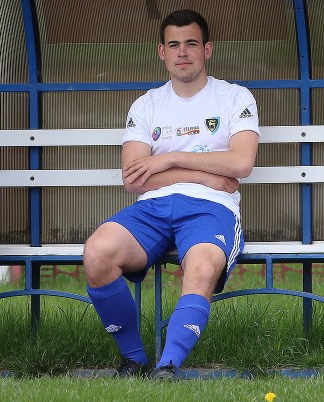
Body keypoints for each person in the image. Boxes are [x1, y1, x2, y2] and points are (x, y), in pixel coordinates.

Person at [83, 9, 259, 380]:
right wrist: (205, 173)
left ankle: (168, 366)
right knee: (97, 252)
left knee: (202, 267)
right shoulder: (146, 104)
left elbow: (241, 163)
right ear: (162, 52)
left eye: (191, 43)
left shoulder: (234, 97)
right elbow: (134, 178)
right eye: (174, 45)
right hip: (152, 207)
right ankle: (134, 359)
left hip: (211, 208)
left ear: (207, 49)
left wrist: (169, 158)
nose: (182, 52)